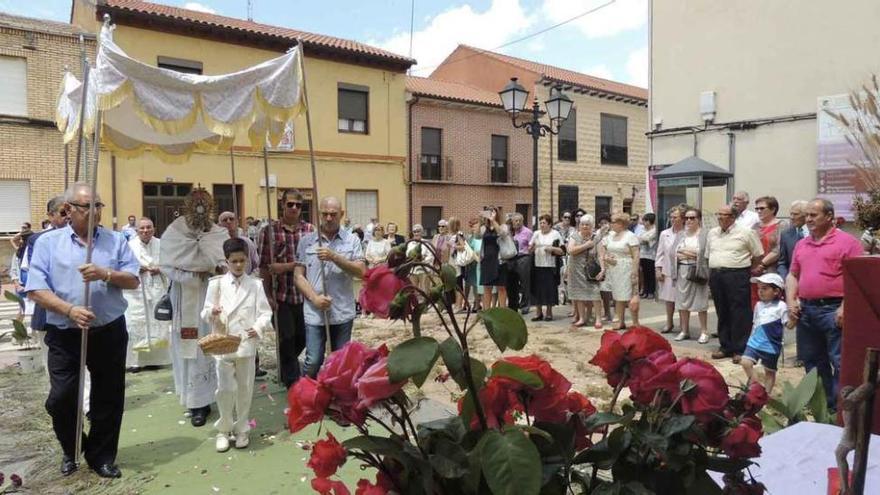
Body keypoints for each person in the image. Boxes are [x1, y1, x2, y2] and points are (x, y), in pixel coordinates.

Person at [26, 182, 140, 478]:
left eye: (98, 206)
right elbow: (36, 289)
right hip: (65, 332)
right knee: (62, 398)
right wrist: (69, 310)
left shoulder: (115, 241)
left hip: (109, 329)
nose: (94, 212)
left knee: (108, 396)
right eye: (86, 206)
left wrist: (106, 273)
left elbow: (133, 279)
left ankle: (102, 456)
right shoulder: (48, 243)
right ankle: (72, 448)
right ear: (68, 210)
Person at [786, 198, 864, 410]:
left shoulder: (848, 243)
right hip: (806, 311)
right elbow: (793, 275)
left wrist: (846, 307)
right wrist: (791, 300)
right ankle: (824, 409)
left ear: (829, 216)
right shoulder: (802, 244)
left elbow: (858, 280)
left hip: (834, 310)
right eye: (807, 215)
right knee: (813, 364)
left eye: (813, 215)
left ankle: (843, 411)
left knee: (840, 363)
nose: (808, 219)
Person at [160, 188, 228, 427]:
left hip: (212, 297)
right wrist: (193, 274)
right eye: (195, 204)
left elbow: (226, 261)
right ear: (187, 205)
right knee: (191, 348)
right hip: (187, 297)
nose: (200, 209)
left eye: (204, 205)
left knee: (213, 346)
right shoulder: (175, 231)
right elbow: (166, 264)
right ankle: (196, 402)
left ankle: (218, 396)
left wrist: (218, 269)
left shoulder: (218, 233)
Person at [202, 238, 272, 452]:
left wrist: (258, 327)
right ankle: (223, 429)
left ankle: (242, 428)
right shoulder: (216, 284)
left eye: (242, 260)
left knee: (244, 388)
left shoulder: (256, 285)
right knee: (224, 389)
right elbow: (204, 312)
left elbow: (265, 312)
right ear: (226, 261)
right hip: (223, 344)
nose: (239, 265)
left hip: (246, 343)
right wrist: (211, 313)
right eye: (234, 261)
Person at [294, 197, 366, 377]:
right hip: (314, 311)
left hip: (342, 311)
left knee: (339, 361)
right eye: (324, 214)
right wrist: (315, 298)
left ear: (341, 215)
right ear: (319, 214)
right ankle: (305, 397)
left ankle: (334, 399)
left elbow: (361, 271)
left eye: (333, 214)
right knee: (313, 360)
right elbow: (298, 276)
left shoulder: (352, 240)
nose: (328, 218)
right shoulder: (306, 242)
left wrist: (335, 257)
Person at [257, 189, 315, 388]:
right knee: (287, 337)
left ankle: (286, 365)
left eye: (298, 205)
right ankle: (292, 381)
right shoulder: (269, 231)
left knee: (304, 337)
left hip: (305, 294)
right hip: (281, 294)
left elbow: (312, 262)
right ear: (282, 205)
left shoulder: (309, 230)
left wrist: (286, 266)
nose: (294, 208)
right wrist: (267, 295)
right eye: (290, 204)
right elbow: (265, 266)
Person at [706, 204, 764, 363]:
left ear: (732, 217)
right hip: (717, 275)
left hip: (737, 274)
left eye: (723, 214)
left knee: (740, 312)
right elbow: (708, 254)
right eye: (718, 214)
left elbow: (758, 255)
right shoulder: (712, 233)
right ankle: (725, 346)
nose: (719, 217)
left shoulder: (746, 232)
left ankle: (740, 348)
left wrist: (747, 268)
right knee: (721, 310)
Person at [122, 217, 172, 370]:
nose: (145, 231)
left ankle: (157, 360)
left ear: (154, 229)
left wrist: (160, 269)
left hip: (157, 289)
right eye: (142, 228)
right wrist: (136, 269)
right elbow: (122, 266)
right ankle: (135, 362)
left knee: (158, 323)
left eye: (148, 227)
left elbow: (170, 265)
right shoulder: (129, 246)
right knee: (135, 324)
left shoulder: (162, 245)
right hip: (136, 292)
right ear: (137, 231)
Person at [742, 273, 790, 393]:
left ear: (776, 291)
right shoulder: (758, 305)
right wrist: (750, 338)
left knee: (769, 371)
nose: (760, 292)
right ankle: (756, 386)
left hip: (771, 346)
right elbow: (755, 323)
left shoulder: (781, 306)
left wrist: (793, 318)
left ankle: (766, 394)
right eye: (759, 289)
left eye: (765, 288)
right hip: (754, 342)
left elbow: (787, 324)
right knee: (745, 362)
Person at [672, 208, 710, 343]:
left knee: (701, 303)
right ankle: (684, 330)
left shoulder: (705, 234)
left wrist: (685, 251)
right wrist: (690, 252)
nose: (689, 220)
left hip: (698, 271)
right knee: (682, 303)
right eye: (686, 218)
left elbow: (704, 254)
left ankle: (704, 331)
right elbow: (675, 253)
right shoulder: (681, 234)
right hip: (682, 270)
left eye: (692, 218)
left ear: (699, 219)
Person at [598, 213, 640, 330]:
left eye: (613, 222)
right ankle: (620, 319)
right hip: (613, 268)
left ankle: (635, 322)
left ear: (621, 224)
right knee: (617, 294)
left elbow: (636, 255)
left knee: (630, 294)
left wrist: (634, 271)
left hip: (626, 266)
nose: (610, 224)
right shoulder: (610, 235)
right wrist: (605, 257)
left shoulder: (630, 236)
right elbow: (602, 249)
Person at [749, 196, 787, 306]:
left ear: (773, 209)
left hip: (772, 269)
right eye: (757, 209)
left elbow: (779, 249)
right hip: (754, 270)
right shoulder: (755, 226)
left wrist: (762, 264)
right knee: (755, 303)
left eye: (762, 208)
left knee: (772, 302)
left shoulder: (782, 225)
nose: (759, 211)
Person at [567, 214, 602, 329]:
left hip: (591, 270)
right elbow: (571, 250)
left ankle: (598, 318)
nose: (585, 226)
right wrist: (586, 245)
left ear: (592, 226)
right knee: (579, 295)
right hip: (576, 269)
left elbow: (601, 255)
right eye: (582, 224)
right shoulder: (574, 236)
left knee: (595, 294)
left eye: (587, 224)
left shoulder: (596, 237)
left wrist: (603, 270)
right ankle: (581, 318)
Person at [655, 205, 685, 333]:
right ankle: (669, 322)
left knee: (682, 300)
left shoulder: (687, 233)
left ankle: (684, 326)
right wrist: (658, 269)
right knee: (669, 299)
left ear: (682, 218)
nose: (672, 219)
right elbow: (660, 253)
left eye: (675, 217)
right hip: (668, 271)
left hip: (683, 271)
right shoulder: (664, 234)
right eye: (671, 217)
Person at [528, 214, 563, 321]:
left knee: (549, 289)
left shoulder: (555, 234)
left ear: (550, 224)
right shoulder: (536, 233)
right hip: (537, 264)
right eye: (541, 223)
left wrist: (551, 248)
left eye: (544, 223)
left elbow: (562, 250)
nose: (542, 225)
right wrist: (532, 248)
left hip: (550, 265)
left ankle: (549, 312)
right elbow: (530, 248)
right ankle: (538, 312)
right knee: (537, 288)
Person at [479, 206, 508, 309]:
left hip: (499, 260)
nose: (490, 214)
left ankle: (503, 311)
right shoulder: (483, 228)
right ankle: (487, 311)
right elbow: (478, 235)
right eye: (488, 212)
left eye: (492, 212)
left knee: (501, 287)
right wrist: (480, 220)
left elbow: (502, 233)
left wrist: (493, 221)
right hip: (487, 260)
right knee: (487, 288)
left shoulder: (503, 226)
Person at [506, 212, 533, 315]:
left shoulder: (528, 232)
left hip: (523, 258)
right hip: (511, 259)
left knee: (524, 282)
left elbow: (531, 246)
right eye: (515, 221)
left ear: (523, 221)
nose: (517, 223)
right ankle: (514, 303)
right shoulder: (511, 232)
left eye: (519, 221)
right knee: (512, 284)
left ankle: (525, 305)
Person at [777, 200, 809, 280]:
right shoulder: (785, 234)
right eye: (791, 214)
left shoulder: (816, 233)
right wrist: (784, 278)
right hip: (792, 280)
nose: (791, 217)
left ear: (806, 215)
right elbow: (782, 262)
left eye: (795, 214)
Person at [595, 214, 614, 322]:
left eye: (606, 223)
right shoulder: (597, 234)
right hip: (600, 264)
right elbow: (595, 244)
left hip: (611, 264)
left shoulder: (613, 234)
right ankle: (606, 312)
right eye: (601, 223)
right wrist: (601, 234)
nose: (604, 225)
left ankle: (615, 313)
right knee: (603, 290)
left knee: (613, 290)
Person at [407, 224, 435, 292]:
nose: (416, 233)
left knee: (425, 291)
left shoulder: (427, 243)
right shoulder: (410, 244)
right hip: (413, 271)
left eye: (418, 231)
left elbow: (431, 256)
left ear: (422, 232)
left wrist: (422, 260)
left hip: (424, 271)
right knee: (413, 291)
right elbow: (407, 255)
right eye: (414, 231)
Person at [637, 213, 658, 299]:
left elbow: (647, 240)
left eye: (645, 221)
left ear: (650, 221)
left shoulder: (655, 230)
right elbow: (638, 239)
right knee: (644, 274)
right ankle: (645, 290)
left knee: (651, 274)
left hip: (651, 255)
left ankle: (651, 291)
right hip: (642, 254)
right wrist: (641, 239)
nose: (644, 223)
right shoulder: (643, 230)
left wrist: (641, 239)